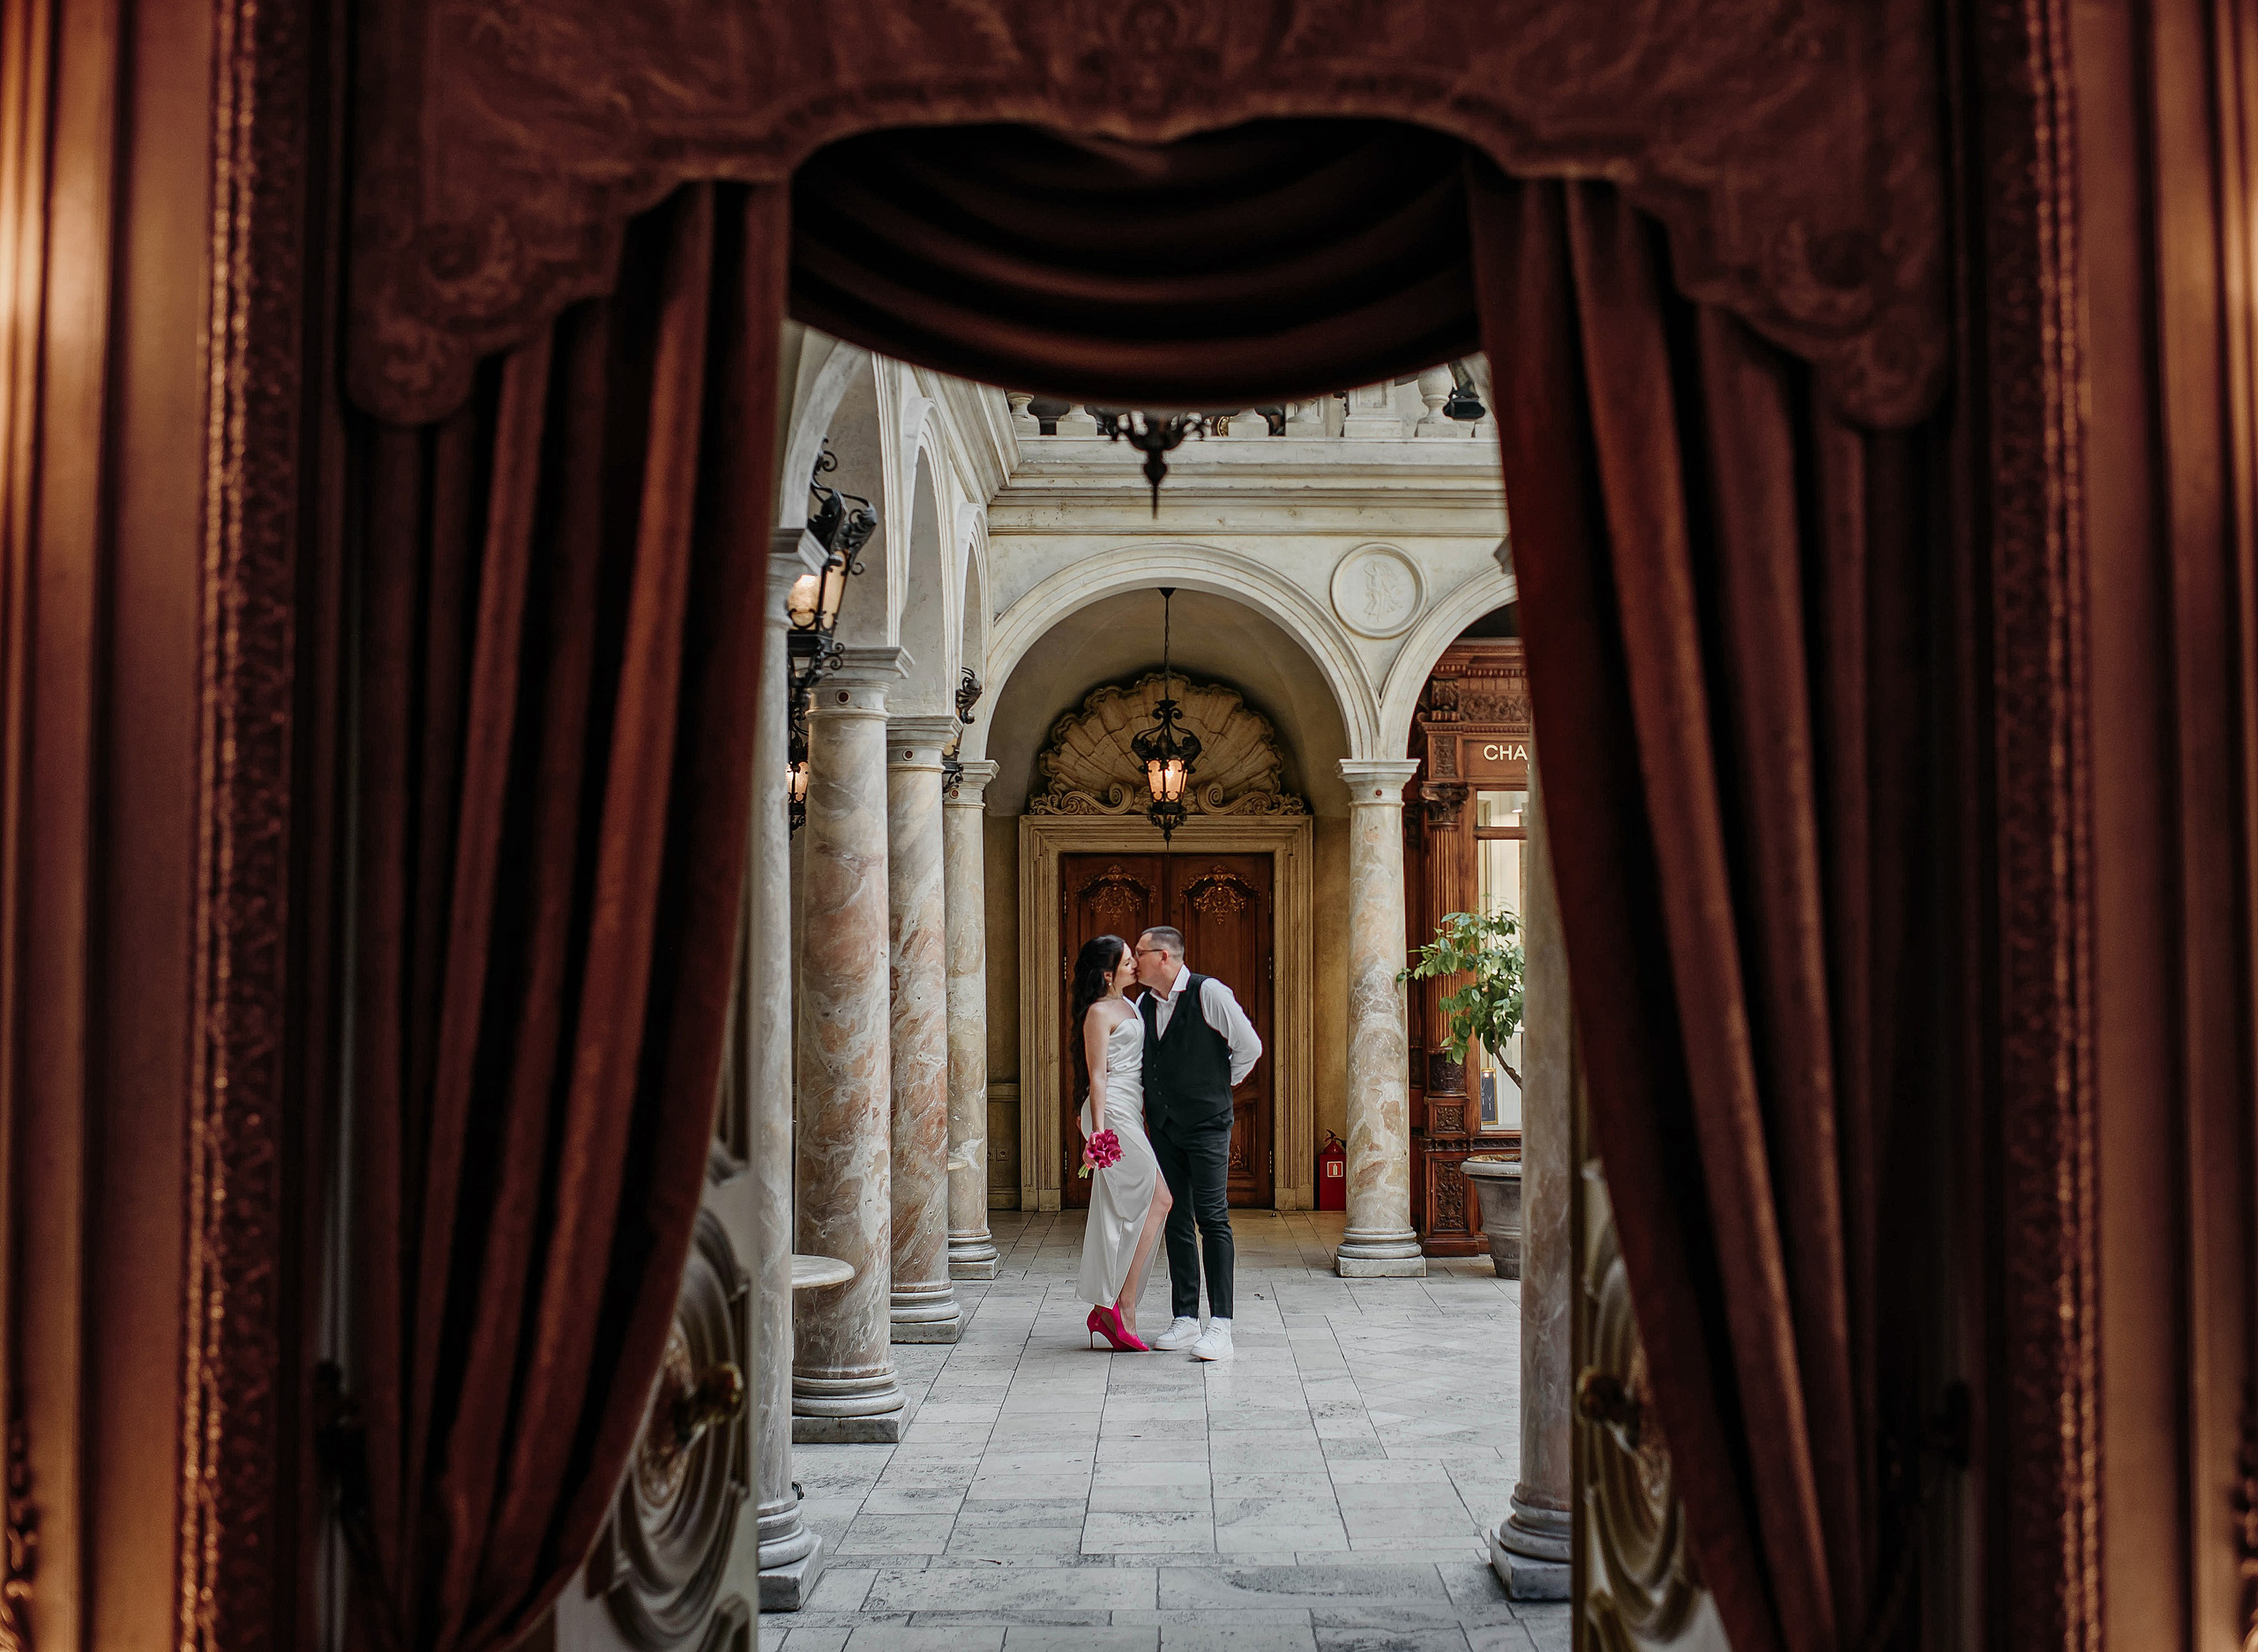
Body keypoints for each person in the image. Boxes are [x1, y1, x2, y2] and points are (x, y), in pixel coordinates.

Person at [1133, 925, 1263, 1362]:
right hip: (1165, 1129)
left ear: (1165, 957)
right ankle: (1185, 1317)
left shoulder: (1210, 994)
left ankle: (1221, 1324)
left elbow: (1249, 1047)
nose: (1134, 961)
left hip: (1208, 1126)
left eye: (1141, 953)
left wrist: (1218, 1085)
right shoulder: (1141, 1005)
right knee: (1176, 1217)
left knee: (1213, 1218)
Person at [1071, 933, 1172, 1350]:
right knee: (1160, 1198)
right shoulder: (1097, 1013)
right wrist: (1098, 1134)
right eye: (1128, 960)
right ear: (1108, 972)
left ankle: (1108, 1306)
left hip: (1130, 1110)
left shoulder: (1131, 1005)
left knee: (1124, 1209)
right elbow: (1098, 1076)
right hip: (1110, 1113)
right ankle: (1121, 1305)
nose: (1136, 964)